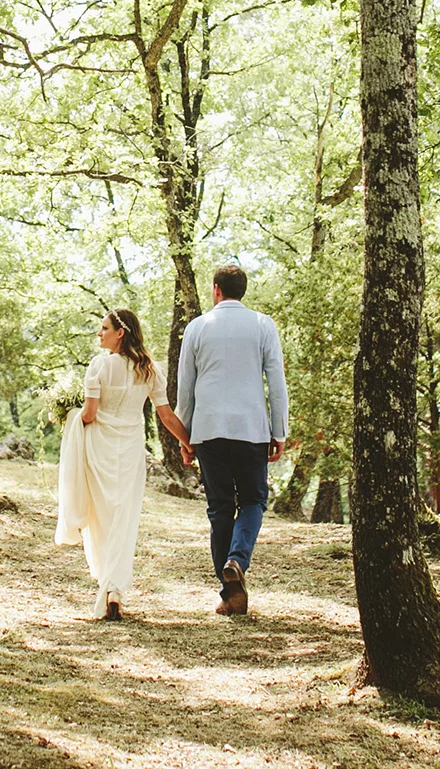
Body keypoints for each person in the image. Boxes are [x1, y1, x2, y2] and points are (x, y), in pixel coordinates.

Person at [55, 308, 192, 620]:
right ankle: (114, 590)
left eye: (104, 328)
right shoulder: (150, 370)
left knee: (101, 518)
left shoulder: (99, 366)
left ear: (121, 332)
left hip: (100, 452)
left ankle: (109, 588)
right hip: (130, 453)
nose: (99, 334)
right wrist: (188, 442)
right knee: (124, 520)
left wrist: (69, 416)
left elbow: (89, 415)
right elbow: (167, 416)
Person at [175, 263, 288, 616]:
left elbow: (185, 389)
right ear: (242, 291)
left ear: (216, 290)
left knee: (220, 508)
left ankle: (229, 593)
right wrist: (279, 430)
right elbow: (276, 382)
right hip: (250, 429)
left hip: (207, 430)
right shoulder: (262, 325)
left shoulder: (196, 327)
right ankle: (237, 561)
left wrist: (185, 435)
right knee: (253, 499)